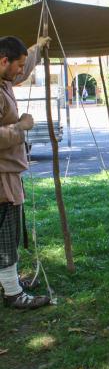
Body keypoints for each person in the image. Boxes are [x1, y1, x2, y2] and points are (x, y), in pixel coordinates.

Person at [0, 35, 52, 309]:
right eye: (17, 65)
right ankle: (12, 293)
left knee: (7, 234)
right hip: (1, 179)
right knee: (6, 236)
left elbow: (25, 64)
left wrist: (37, 49)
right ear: (3, 61)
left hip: (7, 174)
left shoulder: (4, 79)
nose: (22, 72)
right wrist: (21, 127)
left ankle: (10, 283)